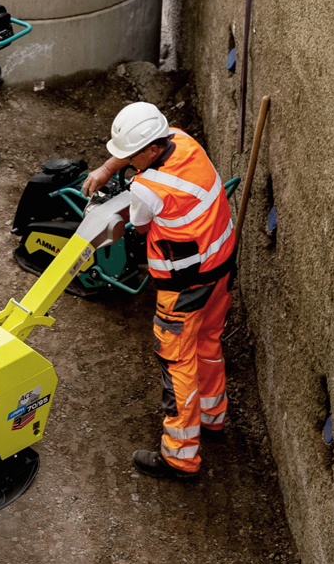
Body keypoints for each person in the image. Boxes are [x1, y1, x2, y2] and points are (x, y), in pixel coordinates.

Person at [82, 102, 235, 480]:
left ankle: (180, 458)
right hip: (221, 265)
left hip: (184, 286)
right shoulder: (184, 140)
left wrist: (118, 185)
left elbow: (139, 226)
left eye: (130, 157)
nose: (126, 162)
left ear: (151, 150)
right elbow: (140, 156)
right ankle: (213, 417)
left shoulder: (148, 187)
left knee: (177, 363)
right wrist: (107, 168)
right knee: (208, 342)